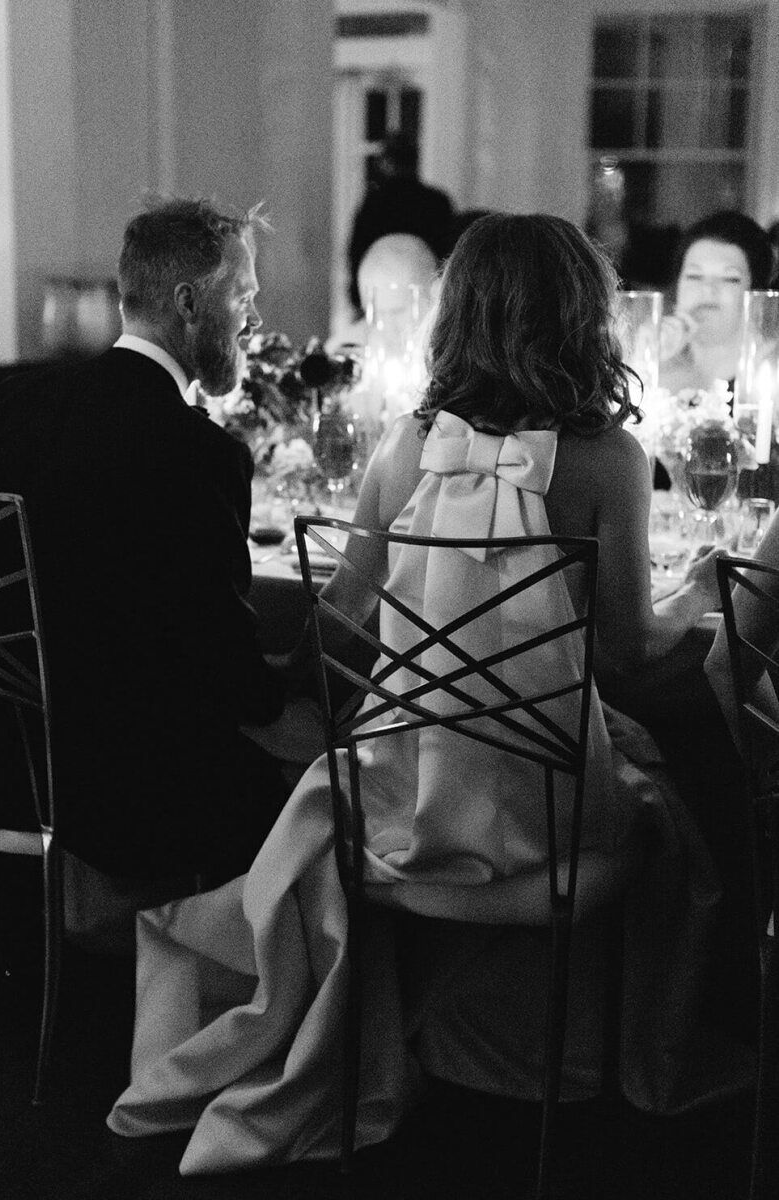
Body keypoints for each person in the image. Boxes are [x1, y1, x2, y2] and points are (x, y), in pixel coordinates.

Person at [107, 213, 738, 1173]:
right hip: (554, 830)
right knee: (684, 811)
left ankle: (421, 1037)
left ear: (459, 316)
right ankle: (594, 1070)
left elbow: (341, 622)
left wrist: (354, 693)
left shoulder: (405, 448)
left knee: (349, 770)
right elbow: (622, 655)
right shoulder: (609, 458)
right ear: (583, 317)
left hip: (398, 825)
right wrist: (693, 593)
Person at [0, 197, 300, 890]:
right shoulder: (196, 454)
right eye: (243, 297)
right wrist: (298, 682)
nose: (253, 319)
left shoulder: (10, 405)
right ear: (188, 302)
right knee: (311, 803)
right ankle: (219, 985)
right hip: (90, 792)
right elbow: (231, 681)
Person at [659, 210, 774, 394]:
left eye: (730, 278)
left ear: (755, 293)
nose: (708, 289)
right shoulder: (650, 371)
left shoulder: (769, 382)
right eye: (694, 276)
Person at [347, 133, 454, 319]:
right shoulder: (436, 202)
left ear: (386, 163)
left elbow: (356, 252)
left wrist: (358, 299)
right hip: (429, 296)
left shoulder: (374, 203)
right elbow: (448, 253)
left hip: (382, 294)